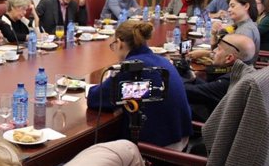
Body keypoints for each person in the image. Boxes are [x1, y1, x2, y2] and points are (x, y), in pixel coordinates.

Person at [87, 20, 192, 149]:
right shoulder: (162, 60)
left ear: (119, 43)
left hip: (158, 152)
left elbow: (96, 99)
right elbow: (142, 90)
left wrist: (110, 81)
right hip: (181, 142)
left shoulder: (131, 68)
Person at [183, 34, 256, 122]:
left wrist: (172, 73)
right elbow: (209, 89)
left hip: (210, 122)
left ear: (229, 58)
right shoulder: (244, 71)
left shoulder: (228, 81)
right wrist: (194, 78)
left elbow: (188, 92)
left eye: (218, 49)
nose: (214, 51)